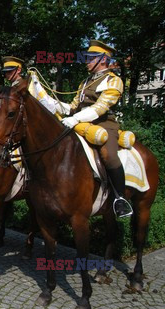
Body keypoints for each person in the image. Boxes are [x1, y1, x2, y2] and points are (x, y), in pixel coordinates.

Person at [54, 40, 132, 218]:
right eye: (87, 57)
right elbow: (72, 107)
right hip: (81, 124)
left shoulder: (114, 81)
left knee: (109, 155)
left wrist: (74, 119)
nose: (86, 61)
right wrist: (44, 98)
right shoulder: (85, 82)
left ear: (103, 60)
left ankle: (120, 199)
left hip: (104, 125)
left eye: (90, 58)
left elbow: (100, 108)